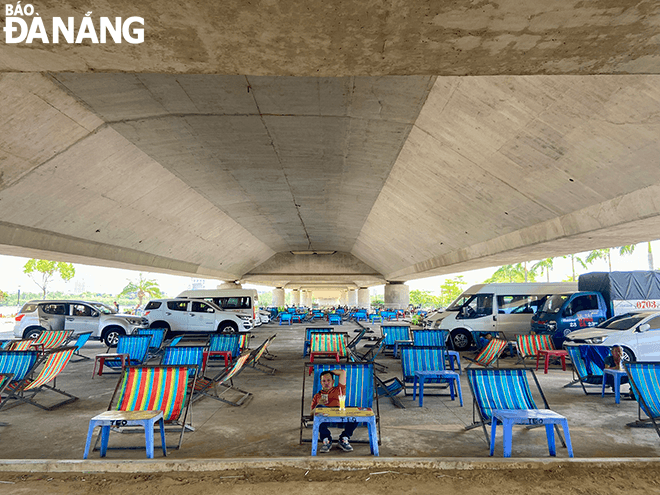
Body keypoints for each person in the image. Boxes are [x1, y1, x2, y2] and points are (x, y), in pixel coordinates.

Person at [311, 369, 356, 453]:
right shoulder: (317, 396)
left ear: (333, 381)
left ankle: (344, 438)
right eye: (323, 381)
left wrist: (329, 372)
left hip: (340, 417)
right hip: (325, 419)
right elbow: (311, 415)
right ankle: (326, 439)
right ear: (321, 382)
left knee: (355, 411)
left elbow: (342, 372)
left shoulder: (339, 389)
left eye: (329, 380)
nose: (326, 383)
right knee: (319, 409)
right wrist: (318, 405)